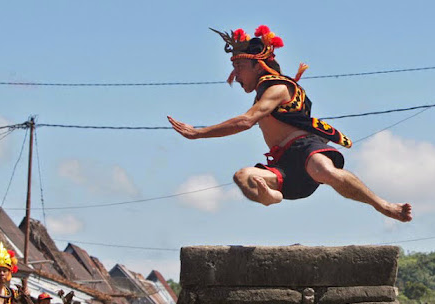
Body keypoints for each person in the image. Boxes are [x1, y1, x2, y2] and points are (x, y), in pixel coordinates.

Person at [168, 25, 412, 222]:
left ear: (258, 64)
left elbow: (245, 121)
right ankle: (271, 196)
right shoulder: (263, 92)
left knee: (323, 169)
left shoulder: (277, 87)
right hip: (284, 167)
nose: (235, 75)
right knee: (243, 176)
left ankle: (384, 205)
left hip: (306, 149)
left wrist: (199, 133)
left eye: (239, 66)